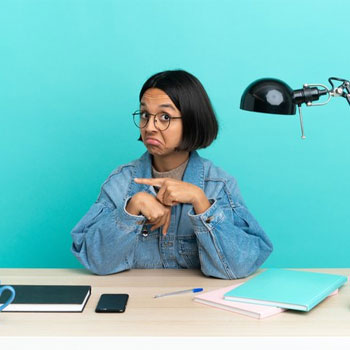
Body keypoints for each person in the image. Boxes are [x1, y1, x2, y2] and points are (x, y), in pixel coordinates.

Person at [71, 70, 273, 279]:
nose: (150, 127)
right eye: (145, 115)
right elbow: (95, 261)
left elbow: (241, 265)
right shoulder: (120, 183)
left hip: (197, 305)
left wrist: (200, 201)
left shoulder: (218, 184)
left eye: (165, 117)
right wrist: (131, 208)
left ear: (192, 121)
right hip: (137, 303)